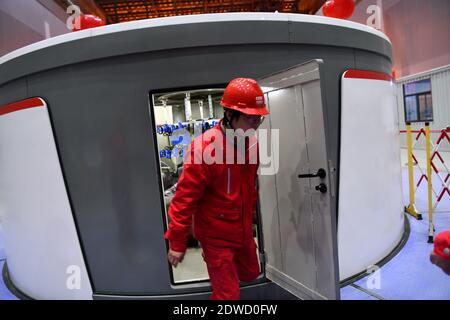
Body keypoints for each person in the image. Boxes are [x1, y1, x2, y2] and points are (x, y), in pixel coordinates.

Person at [164, 78, 269, 300]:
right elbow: (183, 200)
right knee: (228, 296)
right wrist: (177, 241)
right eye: (250, 118)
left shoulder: (252, 145)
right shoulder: (203, 149)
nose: (255, 124)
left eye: (258, 118)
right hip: (215, 236)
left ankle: (225, 271)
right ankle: (217, 268)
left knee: (251, 273)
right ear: (230, 115)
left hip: (242, 231)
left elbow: (250, 187)